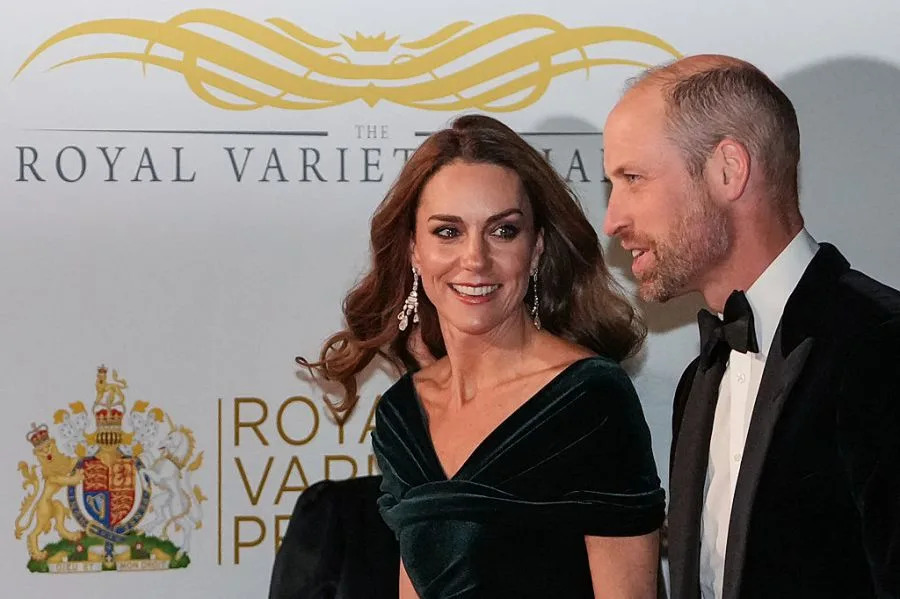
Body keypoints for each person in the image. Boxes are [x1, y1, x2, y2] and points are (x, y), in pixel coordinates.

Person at [301, 114, 666, 598]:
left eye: (503, 231)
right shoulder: (402, 416)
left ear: (536, 249)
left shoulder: (590, 400)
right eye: (447, 232)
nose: (475, 259)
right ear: (414, 250)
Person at [602, 54, 900, 599]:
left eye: (633, 179)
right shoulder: (700, 378)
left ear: (728, 170)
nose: (612, 219)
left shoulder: (882, 346)